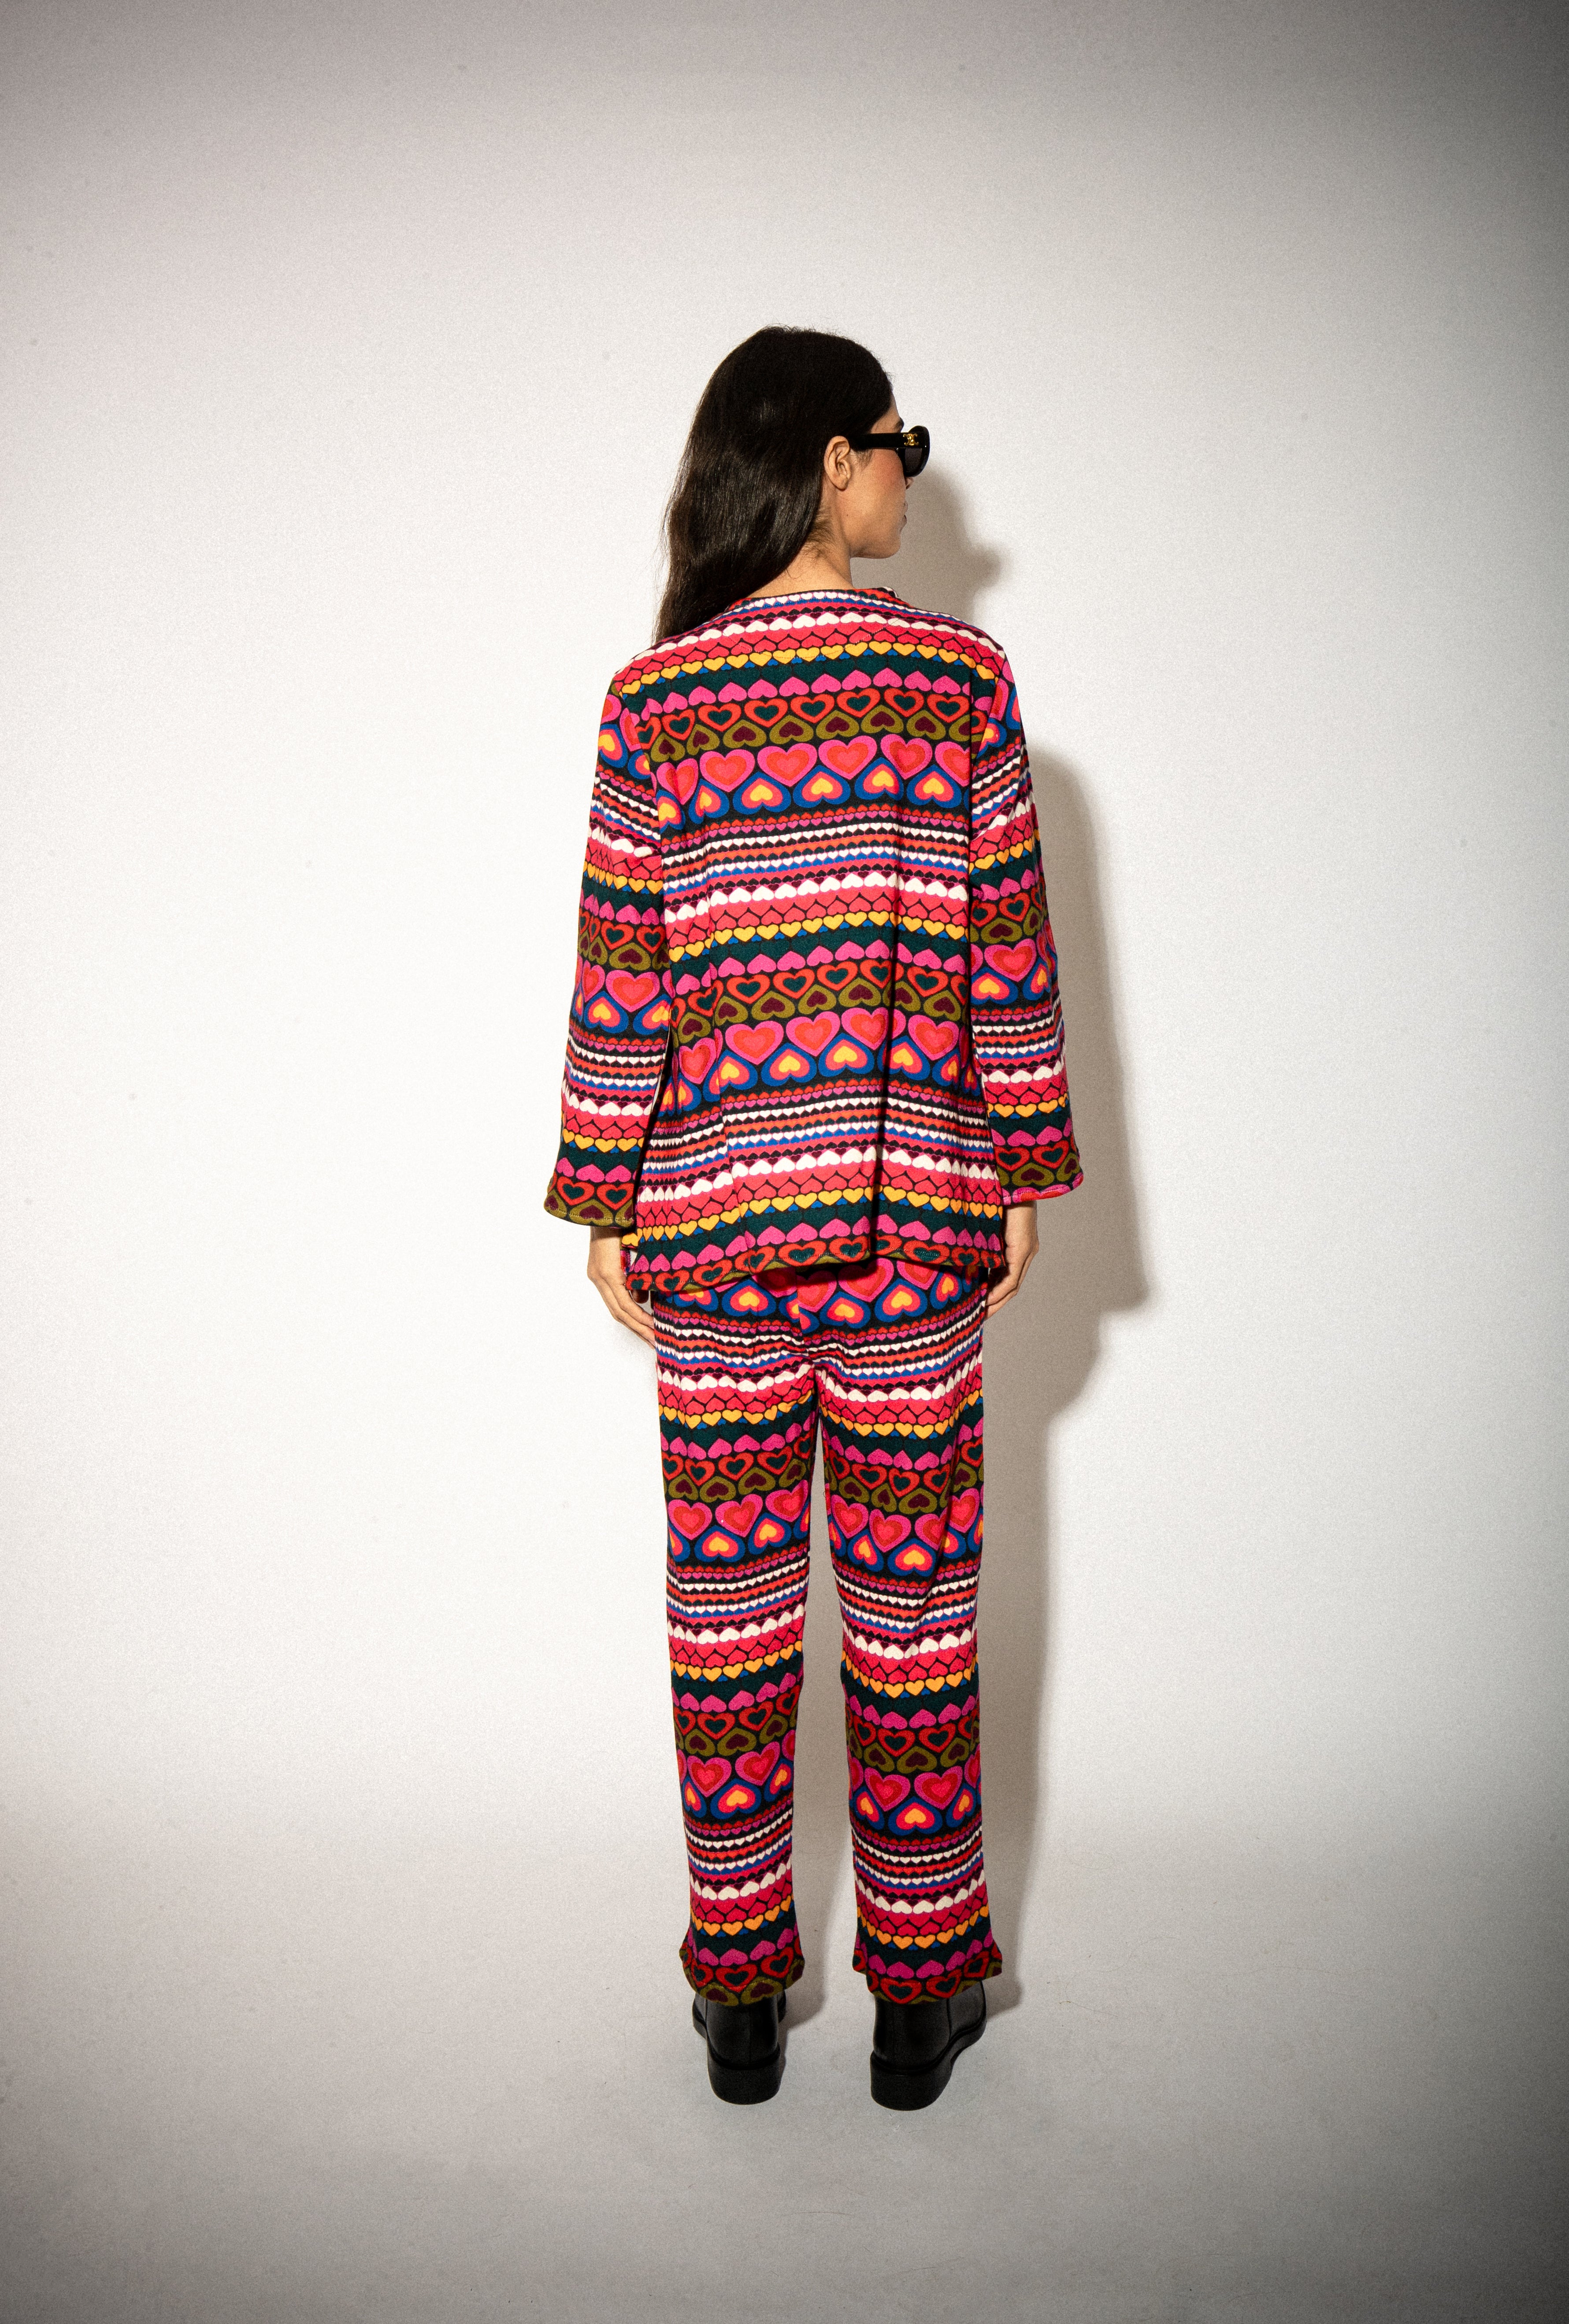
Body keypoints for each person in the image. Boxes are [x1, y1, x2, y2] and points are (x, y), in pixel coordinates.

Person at [545, 327, 1081, 2109]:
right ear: (834, 461)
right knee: (914, 1619)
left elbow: (620, 976)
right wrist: (1022, 1163)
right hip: (917, 1223)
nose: (913, 476)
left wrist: (603, 1196)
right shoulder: (959, 680)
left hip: (707, 1229)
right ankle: (921, 1994)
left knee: (729, 1620)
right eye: (898, 444)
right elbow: (1011, 955)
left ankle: (738, 1993)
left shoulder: (654, 698)